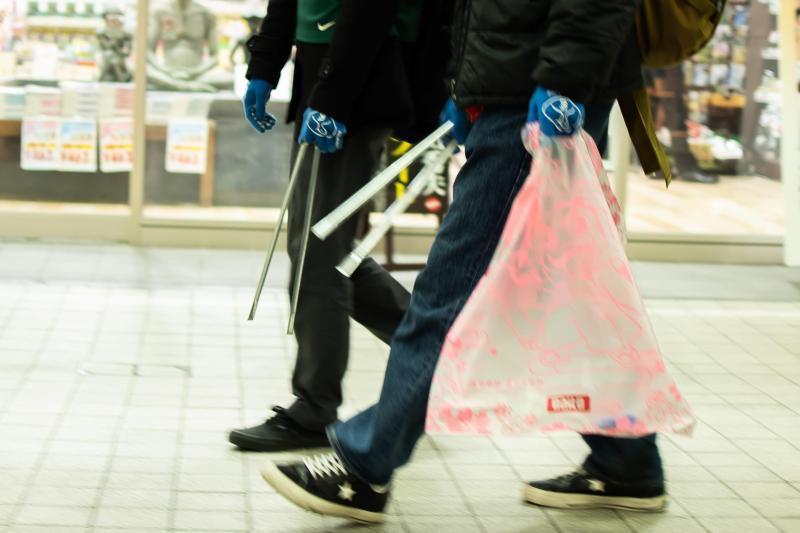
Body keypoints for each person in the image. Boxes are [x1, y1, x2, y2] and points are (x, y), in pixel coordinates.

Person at [259, 0, 667, 524]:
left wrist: (563, 78)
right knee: (563, 287)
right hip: (510, 93)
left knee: (451, 291)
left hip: (529, 104)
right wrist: (461, 87)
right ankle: (626, 457)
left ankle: (364, 464)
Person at [228, 0, 450, 452]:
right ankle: (439, 356)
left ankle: (314, 409)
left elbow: (371, 10)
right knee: (327, 251)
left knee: (319, 251)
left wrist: (333, 97)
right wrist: (264, 67)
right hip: (328, 75)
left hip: (358, 78)